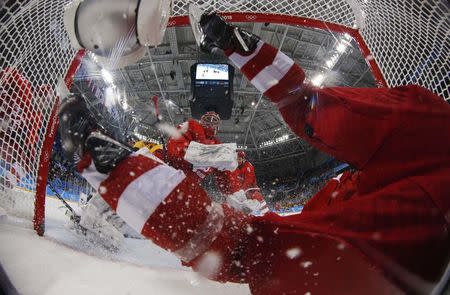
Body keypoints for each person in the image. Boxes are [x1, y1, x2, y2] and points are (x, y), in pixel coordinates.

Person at [58, 13, 450, 295]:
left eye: (214, 115)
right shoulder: (424, 128)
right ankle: (104, 205)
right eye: (208, 114)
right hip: (173, 171)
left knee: (246, 239)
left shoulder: (409, 224)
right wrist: (240, 48)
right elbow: (309, 106)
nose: (211, 116)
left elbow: (243, 243)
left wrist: (119, 167)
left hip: (181, 182)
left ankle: (108, 197)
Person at [166, 111, 240, 195]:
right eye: (208, 119)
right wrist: (202, 158)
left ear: (218, 126)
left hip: (190, 188)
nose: (211, 122)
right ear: (201, 121)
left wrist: (235, 193)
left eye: (214, 121)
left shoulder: (217, 145)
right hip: (172, 179)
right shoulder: (192, 126)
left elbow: (227, 174)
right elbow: (175, 152)